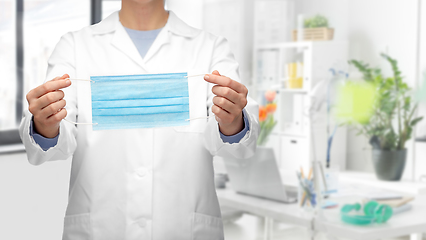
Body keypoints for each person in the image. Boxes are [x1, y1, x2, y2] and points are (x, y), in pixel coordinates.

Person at [19, 0, 259, 239]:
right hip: (101, 228)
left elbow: (238, 146)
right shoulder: (74, 47)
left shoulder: (210, 48)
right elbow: (55, 145)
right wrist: (45, 123)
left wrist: (231, 122)